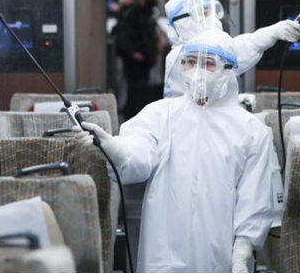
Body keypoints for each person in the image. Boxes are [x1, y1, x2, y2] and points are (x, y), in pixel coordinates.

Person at [81, 30, 275, 273]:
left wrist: (242, 254)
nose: (197, 71)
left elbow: (254, 196)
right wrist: (115, 149)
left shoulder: (250, 130)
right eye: (191, 62)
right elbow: (139, 155)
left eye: (208, 63)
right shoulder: (161, 114)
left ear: (227, 71)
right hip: (163, 249)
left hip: (220, 253)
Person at [163, 0, 300, 98]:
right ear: (184, 22)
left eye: (213, 12)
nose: (213, 19)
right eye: (205, 13)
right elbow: (235, 53)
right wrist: (273, 32)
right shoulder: (182, 55)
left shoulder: (197, 50)